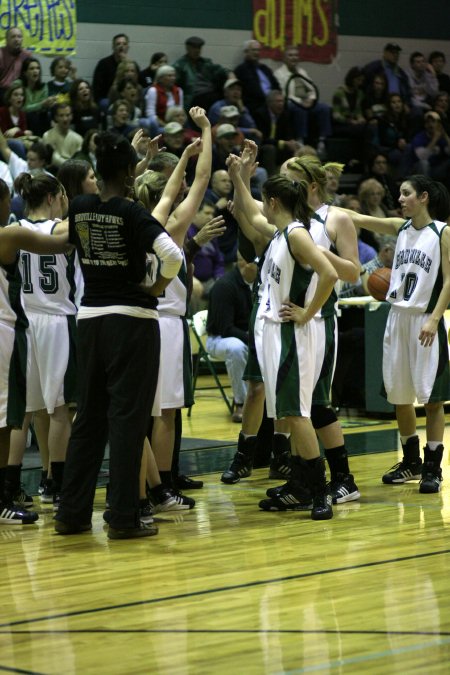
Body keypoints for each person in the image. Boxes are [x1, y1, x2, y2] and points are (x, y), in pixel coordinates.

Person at [54, 130, 183, 539]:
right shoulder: (132, 212)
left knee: (89, 418)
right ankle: (123, 517)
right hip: (132, 321)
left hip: (89, 320)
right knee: (128, 421)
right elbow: (173, 256)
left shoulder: (78, 208)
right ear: (130, 172)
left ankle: (71, 514)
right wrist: (158, 287)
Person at [227, 156, 338, 519]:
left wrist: (307, 311)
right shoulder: (281, 232)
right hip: (274, 331)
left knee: (297, 413)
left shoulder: (297, 234)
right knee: (287, 416)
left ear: (274, 202)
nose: (261, 206)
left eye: (264, 200)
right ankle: (299, 485)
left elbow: (330, 273)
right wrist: (238, 178)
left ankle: (319, 491)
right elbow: (251, 214)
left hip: (292, 334)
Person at [342, 176, 450, 493]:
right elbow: (358, 217)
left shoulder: (442, 232)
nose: (400, 199)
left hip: (424, 321)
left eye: (406, 194)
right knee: (399, 397)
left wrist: (434, 318)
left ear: (424, 197)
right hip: (397, 318)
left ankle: (433, 467)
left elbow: (449, 281)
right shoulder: (399, 228)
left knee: (432, 399)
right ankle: (411, 462)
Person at [0, 178, 71, 524]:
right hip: (57, 320)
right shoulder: (60, 227)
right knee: (58, 407)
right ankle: (56, 483)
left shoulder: (14, 228)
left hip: (25, 323)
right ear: (53, 197)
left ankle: (11, 483)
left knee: (22, 412)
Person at [206, 253, 255, 422]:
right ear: (245, 264)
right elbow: (225, 328)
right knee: (236, 347)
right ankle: (241, 402)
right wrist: (253, 340)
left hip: (247, 337)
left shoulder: (260, 284)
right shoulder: (224, 286)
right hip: (219, 339)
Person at [274, 45, 332, 152]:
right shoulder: (279, 74)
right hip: (292, 102)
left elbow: (312, 88)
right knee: (300, 110)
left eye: (296, 55)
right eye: (290, 55)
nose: (294, 58)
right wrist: (301, 102)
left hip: (306, 101)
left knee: (324, 108)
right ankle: (301, 140)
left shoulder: (301, 71)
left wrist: (311, 99)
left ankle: (322, 140)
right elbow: (284, 94)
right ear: (284, 58)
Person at [173, 36, 233, 110]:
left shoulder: (206, 63)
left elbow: (220, 70)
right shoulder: (180, 65)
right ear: (187, 48)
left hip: (210, 93)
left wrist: (230, 74)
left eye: (199, 48)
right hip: (194, 97)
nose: (197, 51)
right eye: (194, 48)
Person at [234, 40, 280, 117]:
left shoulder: (265, 69)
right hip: (255, 104)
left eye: (258, 50)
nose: (256, 52)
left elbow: (276, 85)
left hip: (272, 102)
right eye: (253, 50)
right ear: (246, 52)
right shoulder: (241, 70)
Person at [20, 57, 56, 136]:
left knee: (48, 114)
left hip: (39, 118)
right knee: (32, 115)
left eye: (37, 68)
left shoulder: (43, 86)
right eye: (31, 68)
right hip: (22, 117)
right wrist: (41, 104)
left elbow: (42, 108)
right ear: (25, 72)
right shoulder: (18, 84)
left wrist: (49, 104)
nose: (35, 71)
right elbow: (22, 108)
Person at [143, 65, 183, 133]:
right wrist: (165, 125)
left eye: (174, 76)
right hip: (159, 123)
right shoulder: (153, 91)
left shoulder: (179, 90)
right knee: (152, 122)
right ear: (160, 78)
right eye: (169, 76)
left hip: (175, 122)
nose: (173, 78)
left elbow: (181, 109)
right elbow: (150, 113)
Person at [92, 33, 130, 104]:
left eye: (124, 44)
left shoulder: (131, 65)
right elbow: (97, 89)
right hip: (107, 99)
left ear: (128, 47)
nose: (121, 46)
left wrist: (127, 64)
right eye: (118, 44)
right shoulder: (103, 64)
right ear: (113, 47)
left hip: (126, 99)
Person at [43, 104, 83, 168]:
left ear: (72, 116)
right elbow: (53, 160)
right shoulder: (47, 136)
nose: (65, 119)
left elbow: (80, 161)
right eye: (61, 115)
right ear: (56, 117)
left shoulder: (78, 138)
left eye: (67, 115)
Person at [0, 28, 31, 103]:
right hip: (2, 91)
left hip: (20, 92)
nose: (16, 39)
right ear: (7, 40)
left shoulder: (26, 55)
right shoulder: (1, 53)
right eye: (13, 37)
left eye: (19, 36)